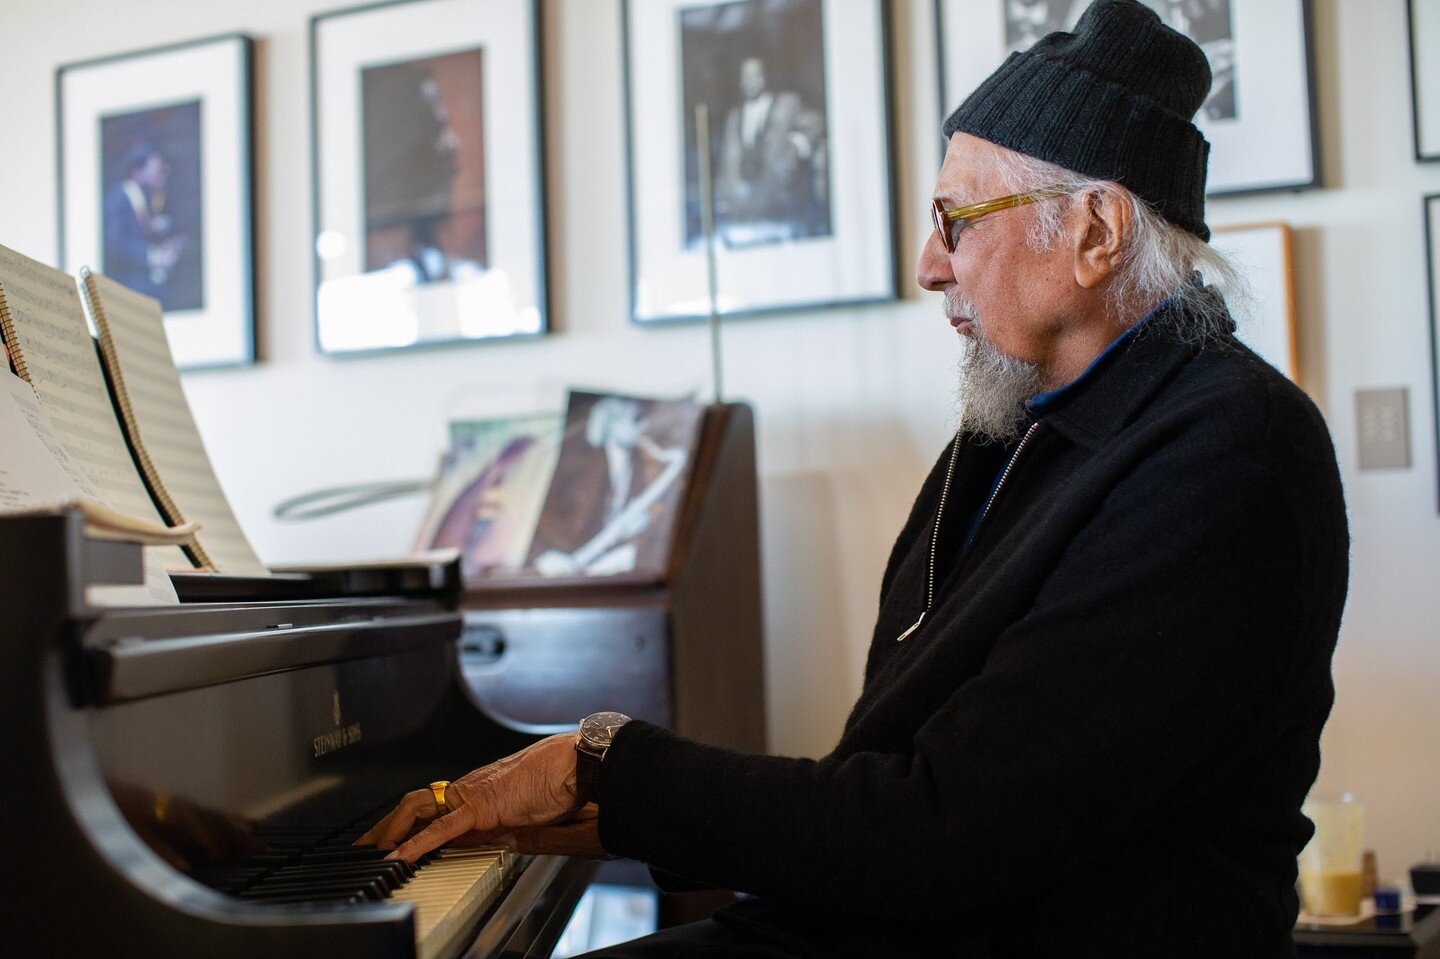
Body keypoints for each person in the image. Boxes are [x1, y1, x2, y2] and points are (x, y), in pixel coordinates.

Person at [359, 3, 1348, 955]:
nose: (928, 265)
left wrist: (604, 765)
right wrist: (601, 814)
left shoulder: (1230, 453)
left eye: (955, 220)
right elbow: (877, 784)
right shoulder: (1011, 431)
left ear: (1095, 232)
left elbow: (943, 830)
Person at [712, 56, 828, 247]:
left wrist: (798, 147)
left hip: (780, 201)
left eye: (756, 75)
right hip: (745, 207)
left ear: (765, 77)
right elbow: (727, 163)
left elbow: (816, 124)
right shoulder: (734, 117)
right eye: (746, 76)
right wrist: (724, 199)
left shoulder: (787, 104)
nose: (751, 81)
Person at [102, 144, 186, 302]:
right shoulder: (118, 197)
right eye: (157, 169)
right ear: (138, 171)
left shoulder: (146, 199)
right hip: (127, 289)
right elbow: (115, 243)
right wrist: (153, 256)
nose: (163, 175)